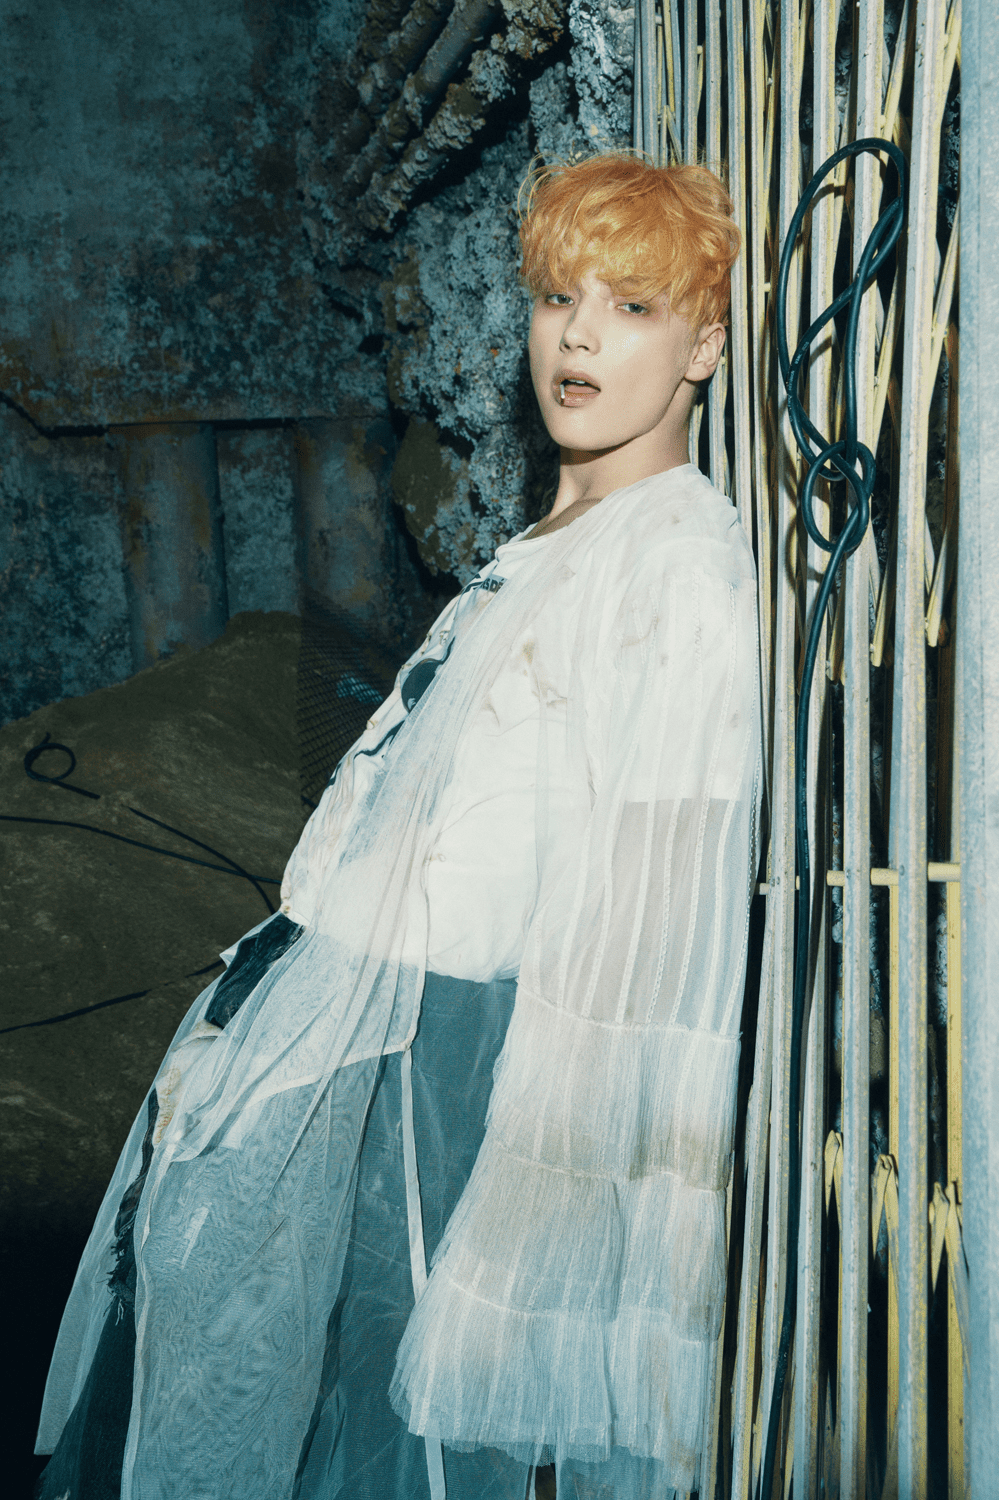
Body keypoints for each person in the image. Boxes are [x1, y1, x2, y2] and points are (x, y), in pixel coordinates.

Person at [36, 151, 761, 1500]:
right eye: (557, 297)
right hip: (345, 1028)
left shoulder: (681, 564)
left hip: (450, 1062)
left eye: (634, 307)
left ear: (704, 346)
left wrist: (546, 1230)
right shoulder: (551, 543)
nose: (579, 337)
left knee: (384, 1440)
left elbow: (654, 937)